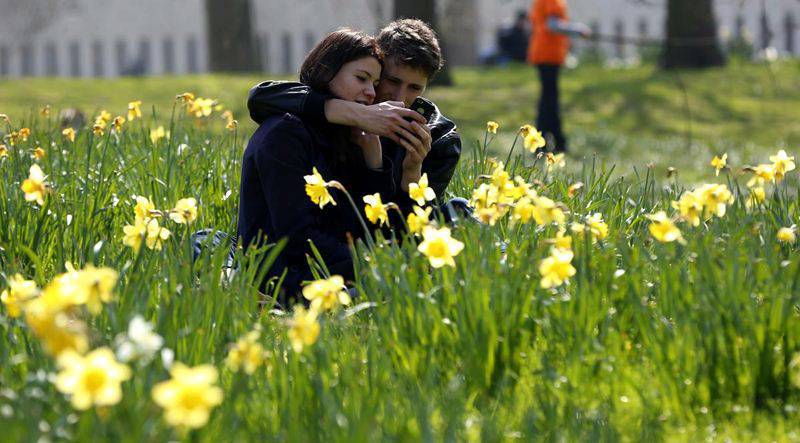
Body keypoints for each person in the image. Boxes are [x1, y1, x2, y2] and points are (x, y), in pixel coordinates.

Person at [247, 19, 466, 222]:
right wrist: (357, 114)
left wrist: (411, 172)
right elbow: (261, 96)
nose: (400, 98)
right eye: (392, 81)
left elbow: (415, 228)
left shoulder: (439, 138)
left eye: (415, 88)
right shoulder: (349, 100)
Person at [237, 29, 395, 302]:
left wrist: (374, 160)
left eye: (375, 83)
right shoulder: (285, 134)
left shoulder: (344, 136)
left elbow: (360, 226)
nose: (371, 93)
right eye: (361, 78)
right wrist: (369, 264)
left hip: (324, 268)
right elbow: (297, 236)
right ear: (327, 71)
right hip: (282, 278)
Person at [527, 0, 589, 152]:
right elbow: (552, 25)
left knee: (550, 99)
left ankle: (556, 141)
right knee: (548, 101)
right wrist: (578, 30)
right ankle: (543, 143)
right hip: (546, 54)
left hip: (549, 55)